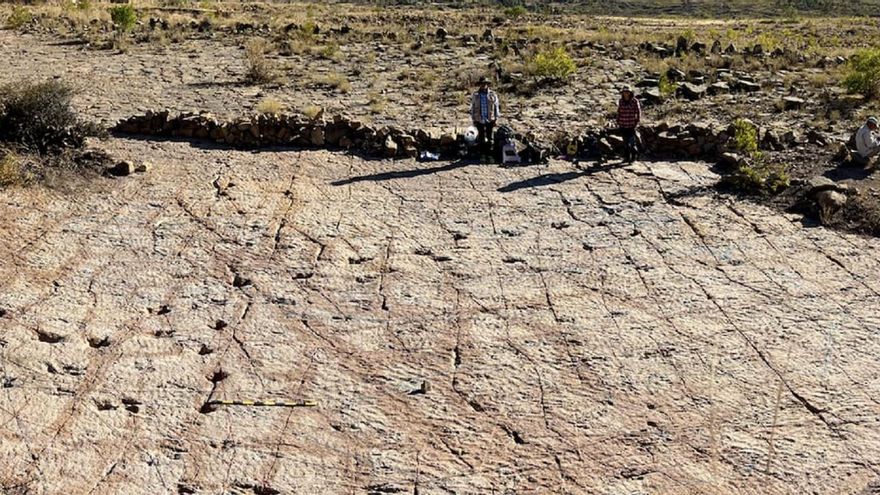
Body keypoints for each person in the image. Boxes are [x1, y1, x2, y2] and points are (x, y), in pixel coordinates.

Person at [470, 76, 501, 162]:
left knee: (490, 138)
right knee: (481, 138)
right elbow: (472, 107)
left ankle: (490, 156)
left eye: (485, 84)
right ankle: (482, 155)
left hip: (490, 119)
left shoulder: (492, 94)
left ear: (487, 84)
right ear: (480, 85)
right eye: (482, 84)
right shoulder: (475, 95)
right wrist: (473, 119)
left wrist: (496, 118)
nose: (484, 85)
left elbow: (496, 107)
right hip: (479, 119)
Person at [616, 87, 641, 163]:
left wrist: (637, 121)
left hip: (631, 124)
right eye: (624, 92)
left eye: (627, 92)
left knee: (632, 142)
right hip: (623, 124)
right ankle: (627, 157)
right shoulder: (621, 101)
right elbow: (619, 111)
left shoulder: (634, 101)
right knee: (625, 143)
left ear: (630, 93)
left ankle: (633, 157)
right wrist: (618, 120)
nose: (626, 93)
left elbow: (638, 111)